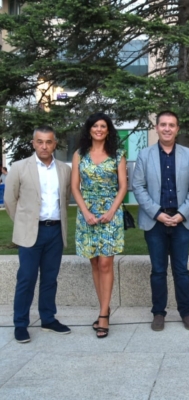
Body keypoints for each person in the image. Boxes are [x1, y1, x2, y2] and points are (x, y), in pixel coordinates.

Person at [133, 111, 189, 332]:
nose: (167, 128)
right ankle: (159, 312)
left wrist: (182, 214)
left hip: (182, 220)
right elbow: (139, 187)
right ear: (156, 127)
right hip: (155, 221)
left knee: (181, 270)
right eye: (163, 124)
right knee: (158, 270)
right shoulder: (145, 155)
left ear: (177, 129)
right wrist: (156, 213)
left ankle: (186, 311)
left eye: (172, 125)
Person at [4, 126, 72, 343]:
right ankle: (20, 324)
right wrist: (25, 223)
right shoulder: (19, 167)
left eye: (49, 142)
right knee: (26, 279)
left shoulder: (63, 169)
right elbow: (10, 201)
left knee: (50, 279)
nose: (44, 146)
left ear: (55, 144)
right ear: (33, 143)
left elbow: (66, 197)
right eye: (40, 141)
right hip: (31, 233)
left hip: (55, 232)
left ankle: (48, 318)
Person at [71, 113, 127, 339]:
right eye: (95, 125)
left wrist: (112, 211)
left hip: (110, 213)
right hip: (87, 213)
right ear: (89, 129)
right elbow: (75, 186)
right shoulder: (79, 155)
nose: (99, 129)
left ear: (108, 130)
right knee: (94, 262)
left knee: (106, 263)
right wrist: (85, 212)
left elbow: (123, 186)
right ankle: (103, 307)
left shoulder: (118, 154)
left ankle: (103, 314)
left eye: (103, 126)